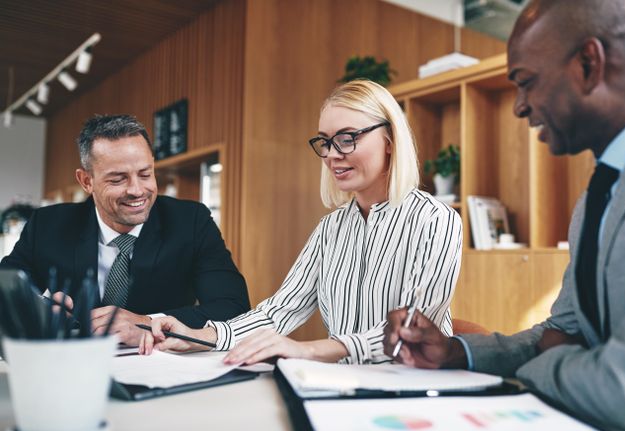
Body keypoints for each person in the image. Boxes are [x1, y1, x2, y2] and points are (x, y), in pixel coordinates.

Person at [384, 0, 625, 431]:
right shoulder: (598, 194)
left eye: (526, 82)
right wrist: (455, 353)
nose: (520, 107)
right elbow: (562, 331)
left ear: (588, 62)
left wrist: (545, 363)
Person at [139, 79, 463, 364]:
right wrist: (200, 335)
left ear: (390, 140)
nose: (332, 154)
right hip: (345, 389)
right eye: (325, 141)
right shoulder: (330, 229)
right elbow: (279, 311)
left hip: (414, 389)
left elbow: (408, 331)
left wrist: (309, 350)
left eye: (348, 138)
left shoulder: (436, 220)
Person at [0, 115, 250, 345]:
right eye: (118, 179)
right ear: (87, 181)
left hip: (159, 369)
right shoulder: (48, 224)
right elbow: (6, 289)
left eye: (145, 174)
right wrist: (37, 308)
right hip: (69, 366)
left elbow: (234, 307)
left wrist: (147, 323)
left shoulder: (191, 221)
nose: (137, 190)